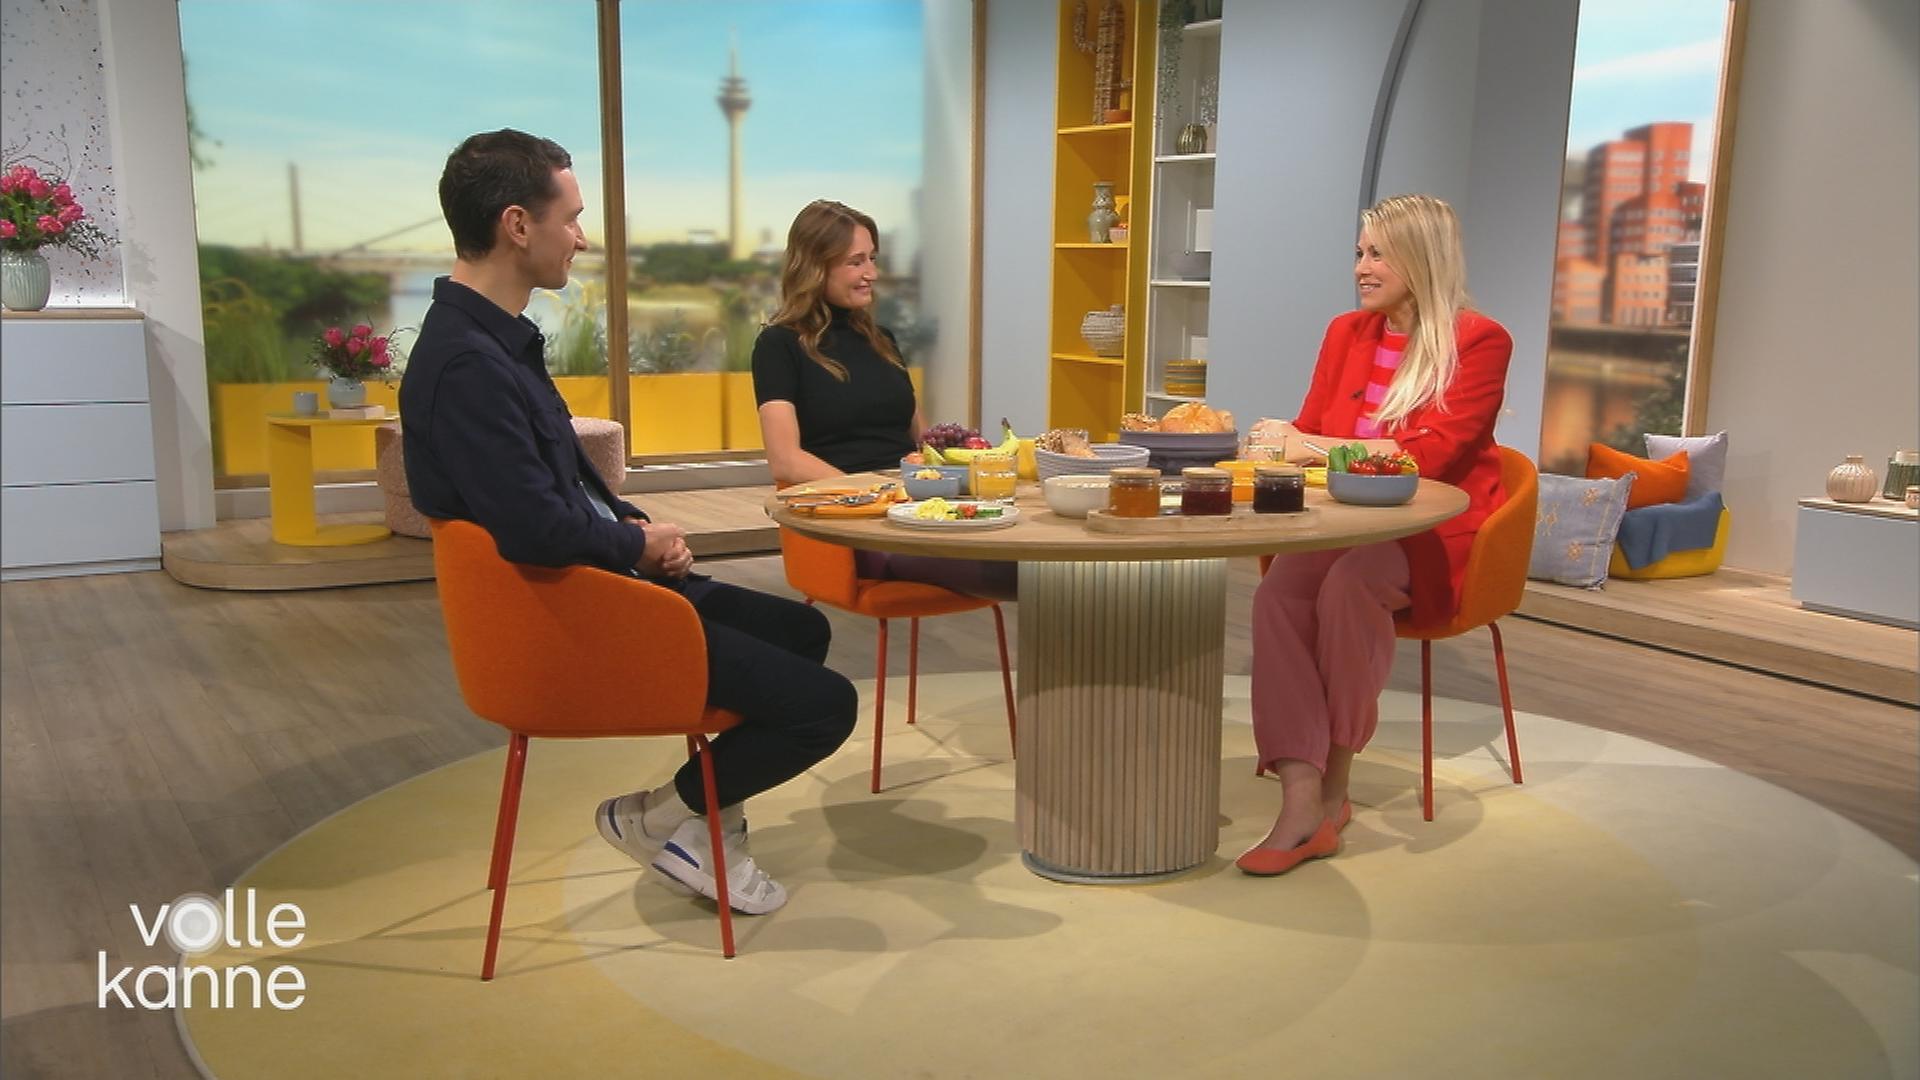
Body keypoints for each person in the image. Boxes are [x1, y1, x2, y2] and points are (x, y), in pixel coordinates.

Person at [401, 129, 857, 915]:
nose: (581, 237)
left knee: (801, 637)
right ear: (518, 225)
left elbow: (552, 495)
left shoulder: (492, 343)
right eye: (571, 218)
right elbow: (536, 530)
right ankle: (669, 820)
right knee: (827, 704)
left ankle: (686, 825)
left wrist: (629, 524)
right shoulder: (468, 366)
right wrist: (634, 545)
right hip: (572, 617)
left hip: (596, 584)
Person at [1238, 193, 1513, 876]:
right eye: (1360, 253)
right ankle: (1302, 800)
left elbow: (1433, 456)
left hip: (1426, 529)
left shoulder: (1479, 341)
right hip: (1343, 520)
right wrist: (1273, 448)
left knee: (1349, 590)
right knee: (1278, 597)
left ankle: (1334, 787)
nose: (1362, 267)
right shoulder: (1345, 333)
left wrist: (1309, 445)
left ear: (1421, 257)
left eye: (1378, 253)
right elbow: (1308, 426)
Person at [752, 199, 1015, 600]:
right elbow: (785, 459)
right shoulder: (778, 345)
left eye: (872, 259)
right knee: (1017, 570)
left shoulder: (882, 340)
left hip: (916, 508)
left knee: (1030, 549)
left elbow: (926, 444)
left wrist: (970, 468)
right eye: (855, 262)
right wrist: (879, 494)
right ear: (815, 265)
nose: (871, 274)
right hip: (855, 521)